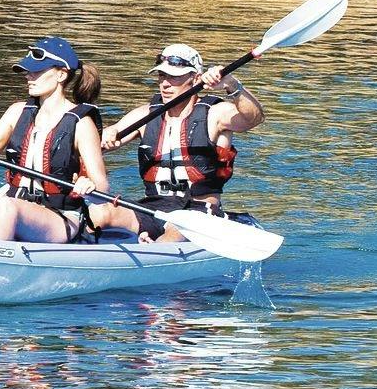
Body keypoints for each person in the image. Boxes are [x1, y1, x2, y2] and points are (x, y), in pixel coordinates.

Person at [0, 35, 108, 243]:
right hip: (13, 208)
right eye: (28, 71)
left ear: (61, 75)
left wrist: (89, 186)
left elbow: (102, 186)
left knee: (9, 205)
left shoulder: (81, 124)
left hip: (60, 217)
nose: (29, 76)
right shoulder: (16, 112)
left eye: (37, 71)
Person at [95, 42, 263, 241]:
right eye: (162, 76)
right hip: (152, 208)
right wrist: (105, 136)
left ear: (195, 78)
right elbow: (99, 142)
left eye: (174, 77)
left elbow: (254, 118)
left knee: (174, 231)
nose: (165, 84)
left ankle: (155, 250)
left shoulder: (215, 114)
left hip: (198, 211)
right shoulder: (145, 115)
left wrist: (231, 84)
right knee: (100, 213)